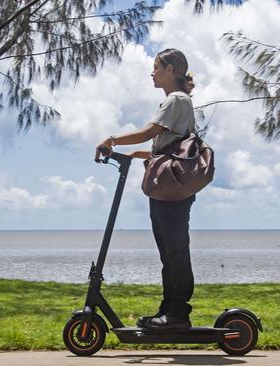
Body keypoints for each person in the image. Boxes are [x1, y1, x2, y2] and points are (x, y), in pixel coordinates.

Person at [94, 48, 197, 330]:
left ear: (172, 69)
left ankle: (177, 314)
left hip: (170, 188)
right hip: (169, 186)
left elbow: (150, 132)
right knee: (170, 252)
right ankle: (169, 310)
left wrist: (112, 140)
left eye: (156, 67)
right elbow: (169, 144)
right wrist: (140, 154)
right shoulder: (180, 101)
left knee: (174, 251)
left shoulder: (175, 100)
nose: (152, 72)